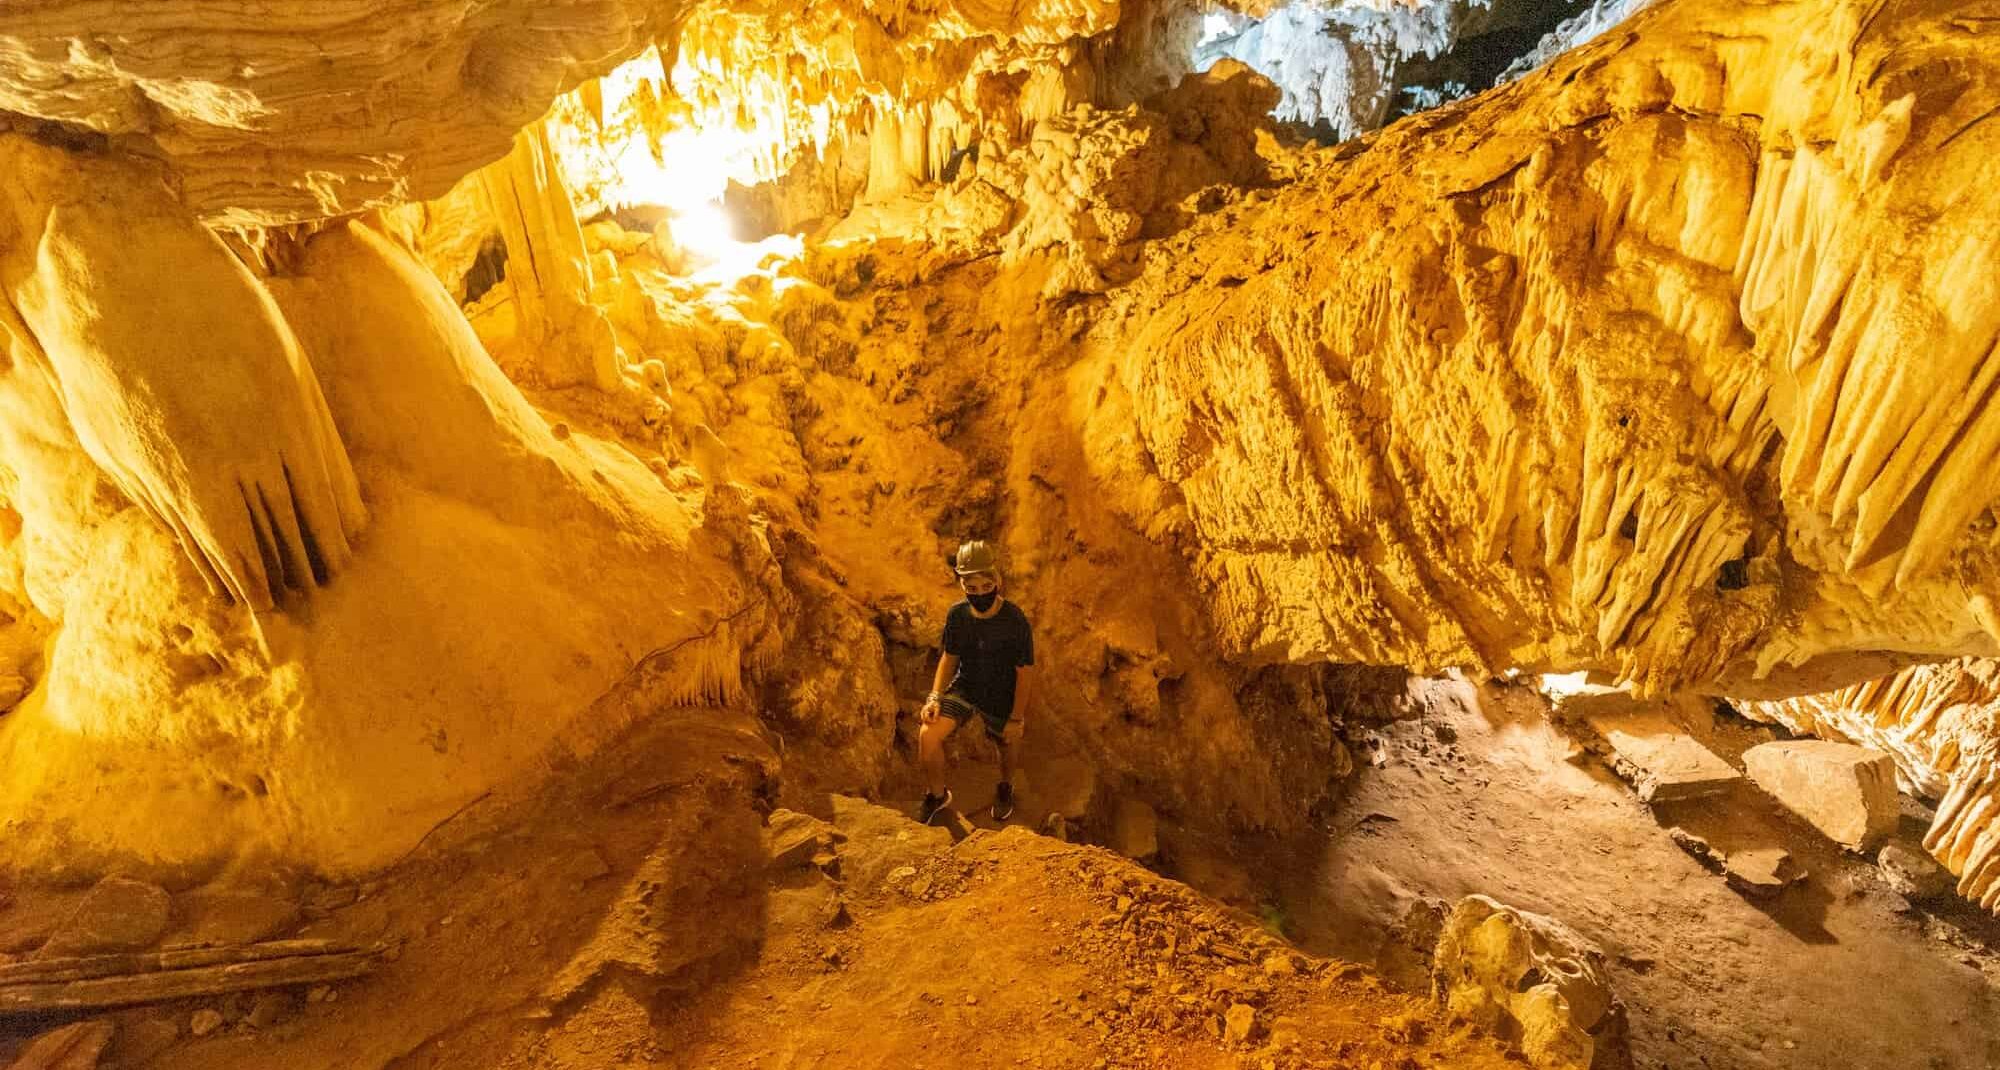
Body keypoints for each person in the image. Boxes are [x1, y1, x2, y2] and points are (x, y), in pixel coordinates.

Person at [918, 540, 1034, 824]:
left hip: (1002, 692)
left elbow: (1025, 672)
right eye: (971, 588)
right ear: (962, 585)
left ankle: (1006, 786)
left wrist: (1016, 719)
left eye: (985, 586)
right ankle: (937, 795)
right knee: (927, 735)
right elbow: (950, 657)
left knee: (1008, 742)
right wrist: (934, 697)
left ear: (997, 581)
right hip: (967, 685)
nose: (979, 593)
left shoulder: (1014, 620)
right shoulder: (958, 615)